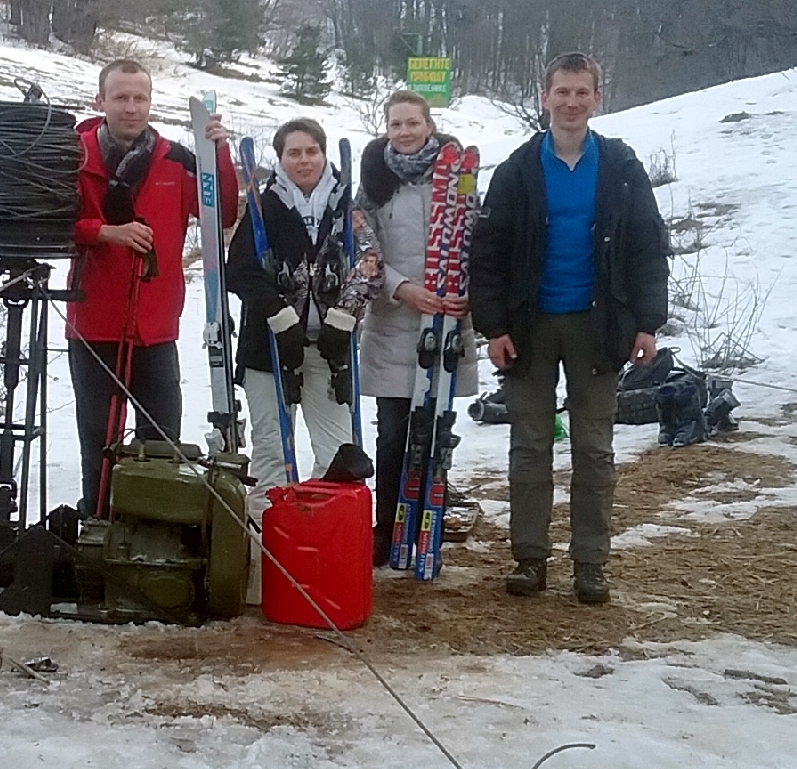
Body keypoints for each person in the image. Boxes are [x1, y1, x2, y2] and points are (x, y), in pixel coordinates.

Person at [469, 52, 670, 604]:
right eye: (563, 91)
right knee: (531, 447)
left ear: (597, 99)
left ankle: (590, 564)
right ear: (545, 96)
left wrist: (647, 323)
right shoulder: (517, 170)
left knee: (594, 449)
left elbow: (648, 248)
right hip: (529, 330)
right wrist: (493, 326)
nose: (572, 102)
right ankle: (530, 559)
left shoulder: (622, 168)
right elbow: (487, 254)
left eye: (582, 92)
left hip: (598, 328)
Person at [67, 59, 239, 518]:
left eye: (140, 97)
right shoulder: (75, 156)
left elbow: (219, 213)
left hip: (156, 327)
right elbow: (51, 224)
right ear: (100, 101)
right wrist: (103, 232)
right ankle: (99, 525)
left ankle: (150, 534)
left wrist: (216, 154)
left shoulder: (176, 159)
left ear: (150, 101)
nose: (131, 107)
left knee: (160, 442)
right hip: (93, 322)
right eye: (121, 97)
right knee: (98, 442)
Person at [225, 117, 379, 519]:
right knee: (273, 448)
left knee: (336, 449)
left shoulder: (347, 204)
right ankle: (269, 537)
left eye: (312, 151)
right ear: (281, 158)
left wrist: (344, 317)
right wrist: (278, 314)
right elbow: (239, 269)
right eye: (294, 152)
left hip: (329, 348)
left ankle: (324, 534)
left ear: (324, 154)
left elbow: (369, 262)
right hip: (270, 347)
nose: (304, 160)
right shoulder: (265, 203)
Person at [355, 90, 479, 567]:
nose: (404, 132)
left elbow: (472, 240)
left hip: (445, 320)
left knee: (435, 432)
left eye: (413, 123)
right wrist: (401, 288)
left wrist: (469, 291)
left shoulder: (456, 178)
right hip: (394, 322)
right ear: (386, 128)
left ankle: (427, 518)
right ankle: (386, 528)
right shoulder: (373, 181)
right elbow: (364, 247)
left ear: (429, 125)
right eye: (395, 124)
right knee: (392, 434)